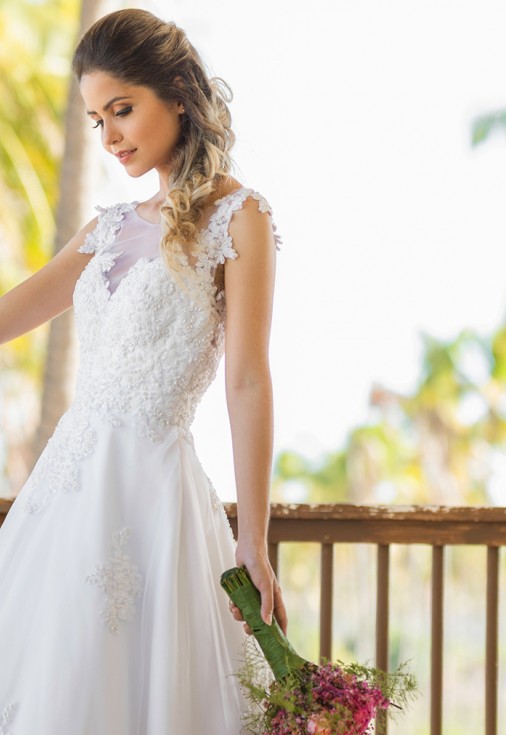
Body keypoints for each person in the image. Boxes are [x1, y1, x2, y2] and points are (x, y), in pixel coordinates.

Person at [0, 8, 286, 734]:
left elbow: (247, 378)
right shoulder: (105, 228)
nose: (110, 135)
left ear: (178, 95)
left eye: (121, 110)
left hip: (155, 497)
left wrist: (252, 538)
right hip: (63, 496)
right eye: (97, 119)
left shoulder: (238, 217)